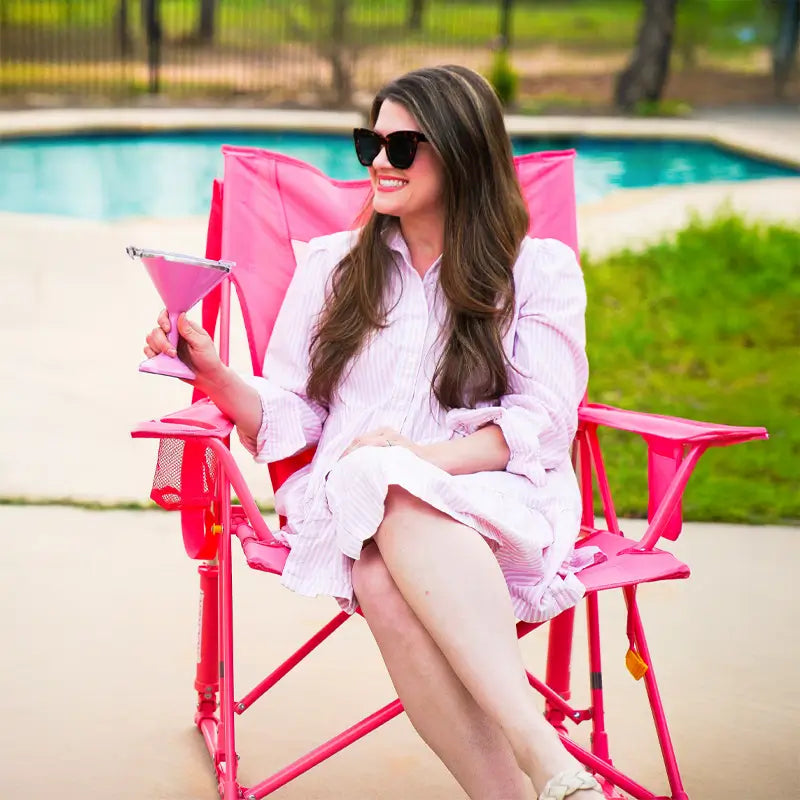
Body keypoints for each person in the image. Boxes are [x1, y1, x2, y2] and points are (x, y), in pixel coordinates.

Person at [145, 65, 603, 800]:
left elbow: (541, 426)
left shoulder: (537, 271)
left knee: (380, 505)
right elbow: (293, 415)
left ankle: (533, 772)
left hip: (493, 500)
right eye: (370, 144)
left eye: (402, 147)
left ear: (460, 152)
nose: (379, 165)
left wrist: (414, 459)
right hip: (352, 506)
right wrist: (213, 373)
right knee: (371, 502)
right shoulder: (331, 268)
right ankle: (544, 773)